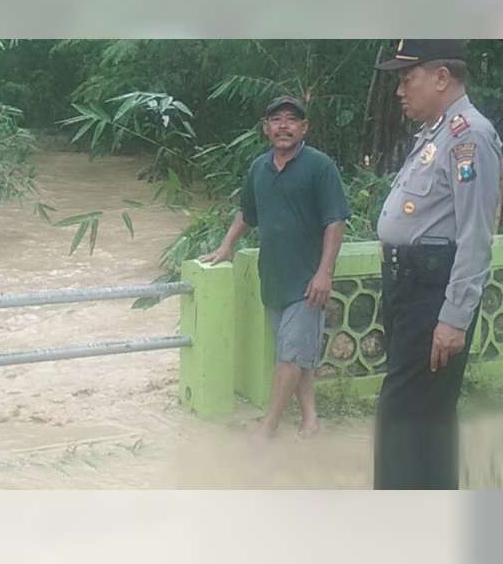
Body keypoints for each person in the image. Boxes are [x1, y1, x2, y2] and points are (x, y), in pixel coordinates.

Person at [373, 39, 503, 489]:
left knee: (404, 416)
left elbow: (474, 235)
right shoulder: (437, 133)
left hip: (432, 292)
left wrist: (454, 317)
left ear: (442, 77)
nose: (399, 92)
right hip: (409, 289)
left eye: (407, 79)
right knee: (420, 420)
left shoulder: (469, 135)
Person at [200, 95, 350, 440]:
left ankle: (268, 426)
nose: (284, 126)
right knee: (296, 355)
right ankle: (311, 418)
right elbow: (247, 214)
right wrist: (226, 246)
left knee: (289, 356)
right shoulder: (258, 168)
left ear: (304, 127)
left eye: (291, 120)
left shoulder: (320, 166)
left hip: (308, 282)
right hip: (273, 278)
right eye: (276, 120)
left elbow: (335, 221)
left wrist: (324, 272)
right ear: (266, 129)